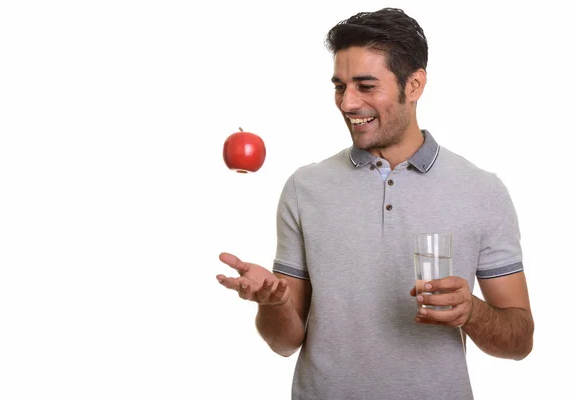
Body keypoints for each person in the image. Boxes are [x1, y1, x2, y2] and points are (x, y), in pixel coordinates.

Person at [216, 7, 534, 399]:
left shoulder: (482, 191)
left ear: (414, 85)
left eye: (366, 86)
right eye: (339, 86)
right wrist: (274, 302)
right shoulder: (305, 187)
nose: (348, 103)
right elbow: (284, 342)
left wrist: (472, 311)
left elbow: (520, 340)